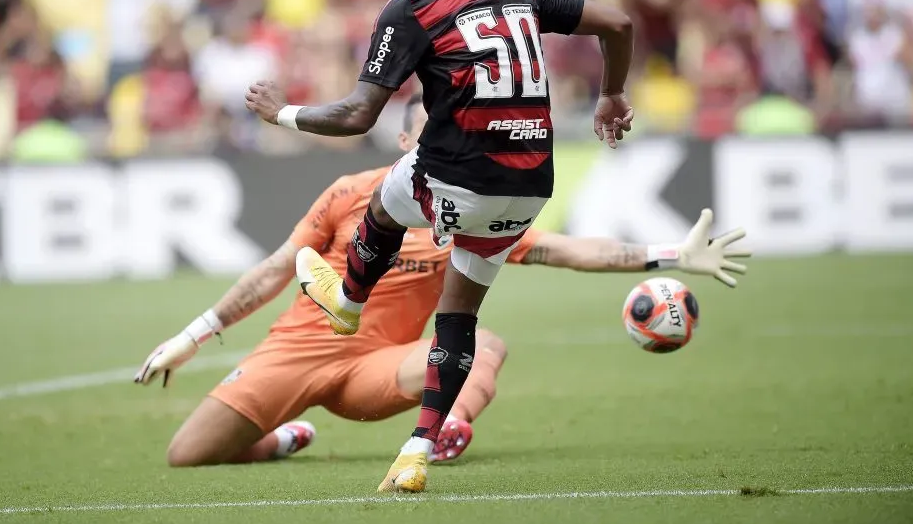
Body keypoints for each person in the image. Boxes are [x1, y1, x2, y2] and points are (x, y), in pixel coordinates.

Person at [244, 0, 636, 492]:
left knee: (385, 196)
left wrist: (283, 114)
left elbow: (355, 117)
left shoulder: (411, 6)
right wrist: (611, 94)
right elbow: (620, 24)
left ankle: (349, 301)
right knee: (457, 317)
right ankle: (416, 452)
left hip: (460, 174)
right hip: (530, 186)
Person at [135, 94, 750, 469]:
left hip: (380, 369)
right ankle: (284, 438)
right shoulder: (351, 195)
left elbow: (564, 250)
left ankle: (449, 423)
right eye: (432, 130)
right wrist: (193, 335)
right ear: (405, 141)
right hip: (294, 354)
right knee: (187, 455)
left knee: (484, 343)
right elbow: (274, 270)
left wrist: (668, 253)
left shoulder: (469, 210)